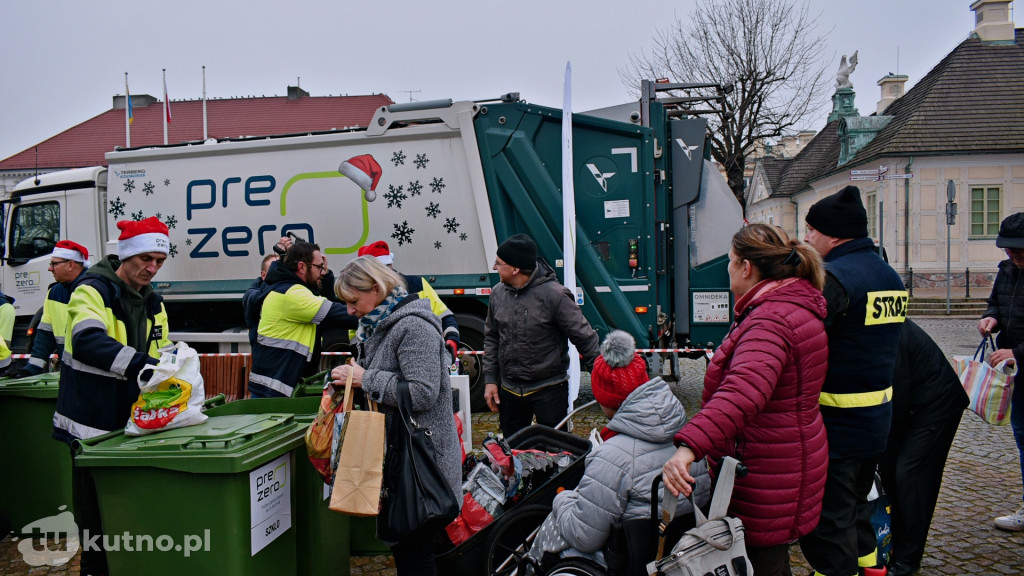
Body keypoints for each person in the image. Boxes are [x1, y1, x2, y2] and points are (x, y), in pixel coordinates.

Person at [663, 223, 830, 576]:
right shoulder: (787, 307)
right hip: (784, 459)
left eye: (729, 260)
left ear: (745, 267)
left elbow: (742, 392)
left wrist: (689, 448)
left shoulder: (771, 320)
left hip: (766, 471)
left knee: (761, 561)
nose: (727, 268)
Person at [523, 330, 710, 575]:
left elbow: (583, 536)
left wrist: (562, 499)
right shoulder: (689, 438)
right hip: (680, 551)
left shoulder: (612, 456)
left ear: (606, 400)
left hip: (630, 559)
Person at [52, 217, 174, 576]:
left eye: (160, 262)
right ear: (127, 255)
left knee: (127, 511)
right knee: (95, 518)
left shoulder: (154, 302)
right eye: (146, 259)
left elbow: (163, 351)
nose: (152, 269)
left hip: (131, 423)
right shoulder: (93, 290)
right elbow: (88, 340)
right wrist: (144, 366)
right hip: (90, 425)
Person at [798, 186, 907, 576]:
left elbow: (802, 337)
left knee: (830, 521)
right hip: (876, 421)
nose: (807, 238)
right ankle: (873, 570)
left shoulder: (836, 278)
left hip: (837, 426)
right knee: (861, 507)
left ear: (834, 233)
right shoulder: (888, 275)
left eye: (811, 230)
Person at [329, 255, 460, 576]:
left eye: (353, 300)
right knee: (408, 549)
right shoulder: (377, 325)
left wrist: (365, 379)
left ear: (376, 288)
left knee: (416, 552)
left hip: (422, 461)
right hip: (400, 458)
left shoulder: (413, 327)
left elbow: (422, 393)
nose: (348, 310)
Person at [483, 233, 600, 437]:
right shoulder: (497, 294)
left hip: (549, 391)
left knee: (556, 453)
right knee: (513, 453)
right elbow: (492, 337)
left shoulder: (555, 295)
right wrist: (490, 380)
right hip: (509, 392)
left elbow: (585, 338)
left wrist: (602, 380)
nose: (494, 267)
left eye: (499, 263)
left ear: (515, 268)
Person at [879, 319, 968, 576]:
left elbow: (897, 389)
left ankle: (908, 558)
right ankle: (891, 542)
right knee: (889, 474)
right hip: (906, 404)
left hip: (935, 406)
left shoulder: (881, 331)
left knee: (911, 477)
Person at [248, 239, 356, 398]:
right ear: (301, 267)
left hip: (273, 385)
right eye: (319, 267)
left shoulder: (284, 287)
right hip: (276, 391)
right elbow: (345, 315)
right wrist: (368, 308)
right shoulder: (294, 295)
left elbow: (322, 297)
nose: (322, 272)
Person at [977, 211, 1024, 532]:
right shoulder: (1007, 270)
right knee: (1023, 437)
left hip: (1018, 359)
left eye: (1018, 248)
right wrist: (990, 318)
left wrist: (1018, 352)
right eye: (1008, 248)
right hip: (1016, 373)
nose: (1013, 254)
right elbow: (996, 303)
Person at [358, 240, 460, 361]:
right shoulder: (366, 293)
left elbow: (444, 316)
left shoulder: (416, 284)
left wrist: (452, 339)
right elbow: (357, 331)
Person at [9, 240, 91, 378]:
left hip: (95, 375)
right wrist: (31, 368)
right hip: (72, 375)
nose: (50, 268)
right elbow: (45, 335)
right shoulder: (54, 293)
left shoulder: (95, 289)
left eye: (54, 264)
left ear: (71, 264)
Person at [242, 252, 279, 347]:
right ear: (263, 275)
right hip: (265, 353)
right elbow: (254, 298)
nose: (281, 274)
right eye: (275, 270)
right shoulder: (253, 293)